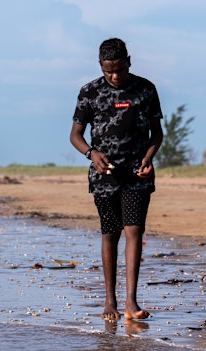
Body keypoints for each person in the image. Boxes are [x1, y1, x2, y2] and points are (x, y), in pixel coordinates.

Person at [69, 38, 163, 321]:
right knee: (110, 233)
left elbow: (156, 133)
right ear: (100, 66)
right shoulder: (89, 92)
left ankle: (131, 303)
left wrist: (149, 158)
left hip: (137, 174)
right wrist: (91, 153)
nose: (115, 76)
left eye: (120, 69)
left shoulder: (146, 90)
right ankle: (109, 300)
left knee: (134, 231)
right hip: (104, 176)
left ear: (129, 62)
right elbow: (75, 135)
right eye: (109, 71)